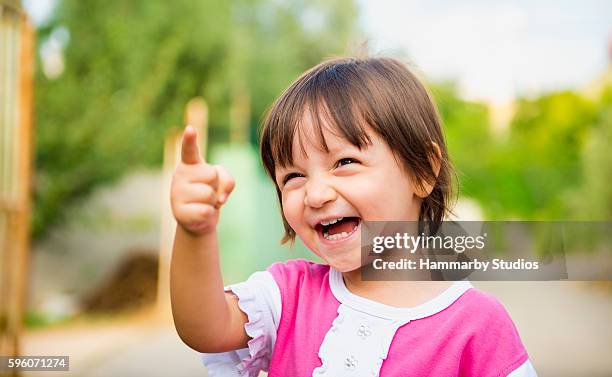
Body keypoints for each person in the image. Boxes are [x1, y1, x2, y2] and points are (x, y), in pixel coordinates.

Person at [170, 57, 538, 376]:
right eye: (293, 177)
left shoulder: (476, 325)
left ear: (423, 170)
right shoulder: (288, 295)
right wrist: (195, 233)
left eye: (345, 162)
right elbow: (205, 328)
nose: (316, 194)